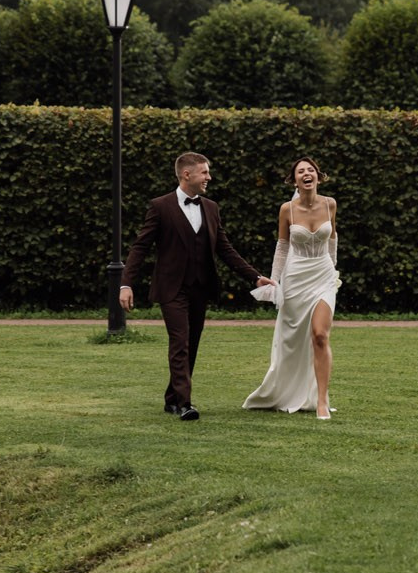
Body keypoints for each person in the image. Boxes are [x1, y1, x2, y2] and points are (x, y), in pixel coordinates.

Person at [120, 152, 271, 421]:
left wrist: (254, 277)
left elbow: (225, 249)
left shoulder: (211, 208)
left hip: (200, 287)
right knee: (180, 341)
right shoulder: (160, 206)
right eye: (204, 172)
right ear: (186, 174)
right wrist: (126, 284)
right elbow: (140, 247)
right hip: (171, 288)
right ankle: (185, 403)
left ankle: (172, 398)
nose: (209, 177)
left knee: (192, 342)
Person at [244, 157, 341, 418]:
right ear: (295, 180)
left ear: (318, 177)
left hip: (322, 275)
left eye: (310, 170)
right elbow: (283, 246)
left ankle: (321, 400)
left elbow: (332, 240)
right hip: (296, 277)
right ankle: (284, 390)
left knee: (320, 335)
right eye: (301, 171)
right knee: (292, 341)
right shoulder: (287, 209)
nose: (306, 174)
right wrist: (274, 282)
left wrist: (334, 271)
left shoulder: (330, 204)